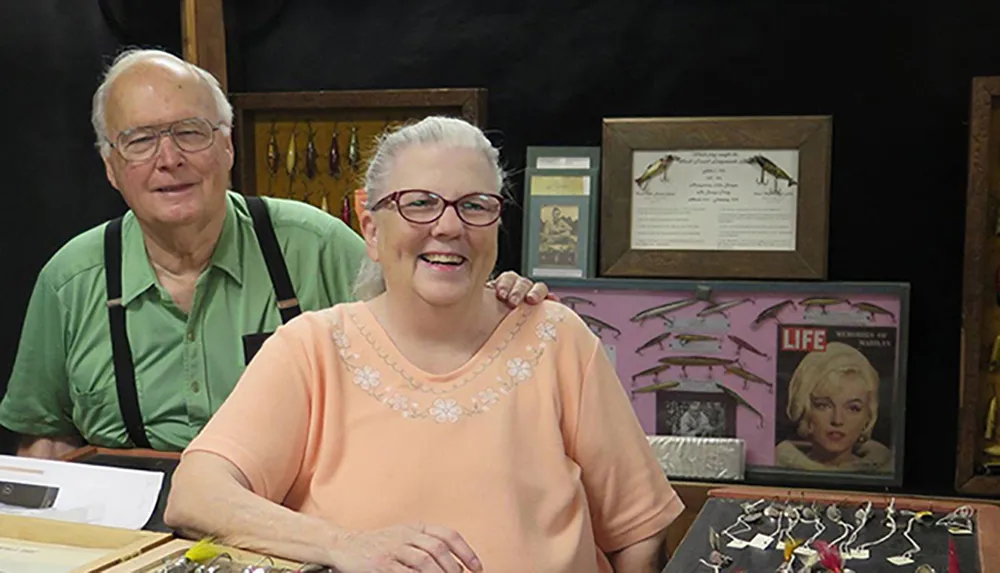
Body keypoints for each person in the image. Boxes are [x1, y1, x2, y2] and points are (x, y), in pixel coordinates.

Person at [164, 116, 682, 573]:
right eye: (420, 204)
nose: (449, 226)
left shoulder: (558, 339)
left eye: (475, 206)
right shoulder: (311, 349)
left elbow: (638, 534)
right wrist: (346, 546)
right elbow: (196, 495)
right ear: (371, 229)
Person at [0, 49, 546, 459]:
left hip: (296, 526)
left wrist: (494, 306)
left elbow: (432, 349)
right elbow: (44, 441)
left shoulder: (317, 247)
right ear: (110, 166)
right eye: (140, 141)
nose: (169, 159)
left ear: (228, 145)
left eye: (190, 132)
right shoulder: (70, 281)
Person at [775, 341, 892, 473]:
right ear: (804, 409)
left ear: (868, 417)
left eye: (853, 408)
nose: (837, 420)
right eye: (823, 405)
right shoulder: (776, 468)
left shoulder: (885, 471)